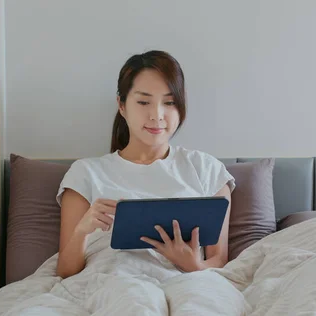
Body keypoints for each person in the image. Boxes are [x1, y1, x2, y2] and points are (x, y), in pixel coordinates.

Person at [54, 50, 235, 279]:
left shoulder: (207, 170)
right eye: (143, 102)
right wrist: (82, 231)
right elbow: (65, 271)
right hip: (110, 283)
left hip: (186, 284)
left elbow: (219, 261)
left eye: (169, 102)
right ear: (121, 105)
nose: (157, 115)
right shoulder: (85, 173)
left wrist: (193, 266)